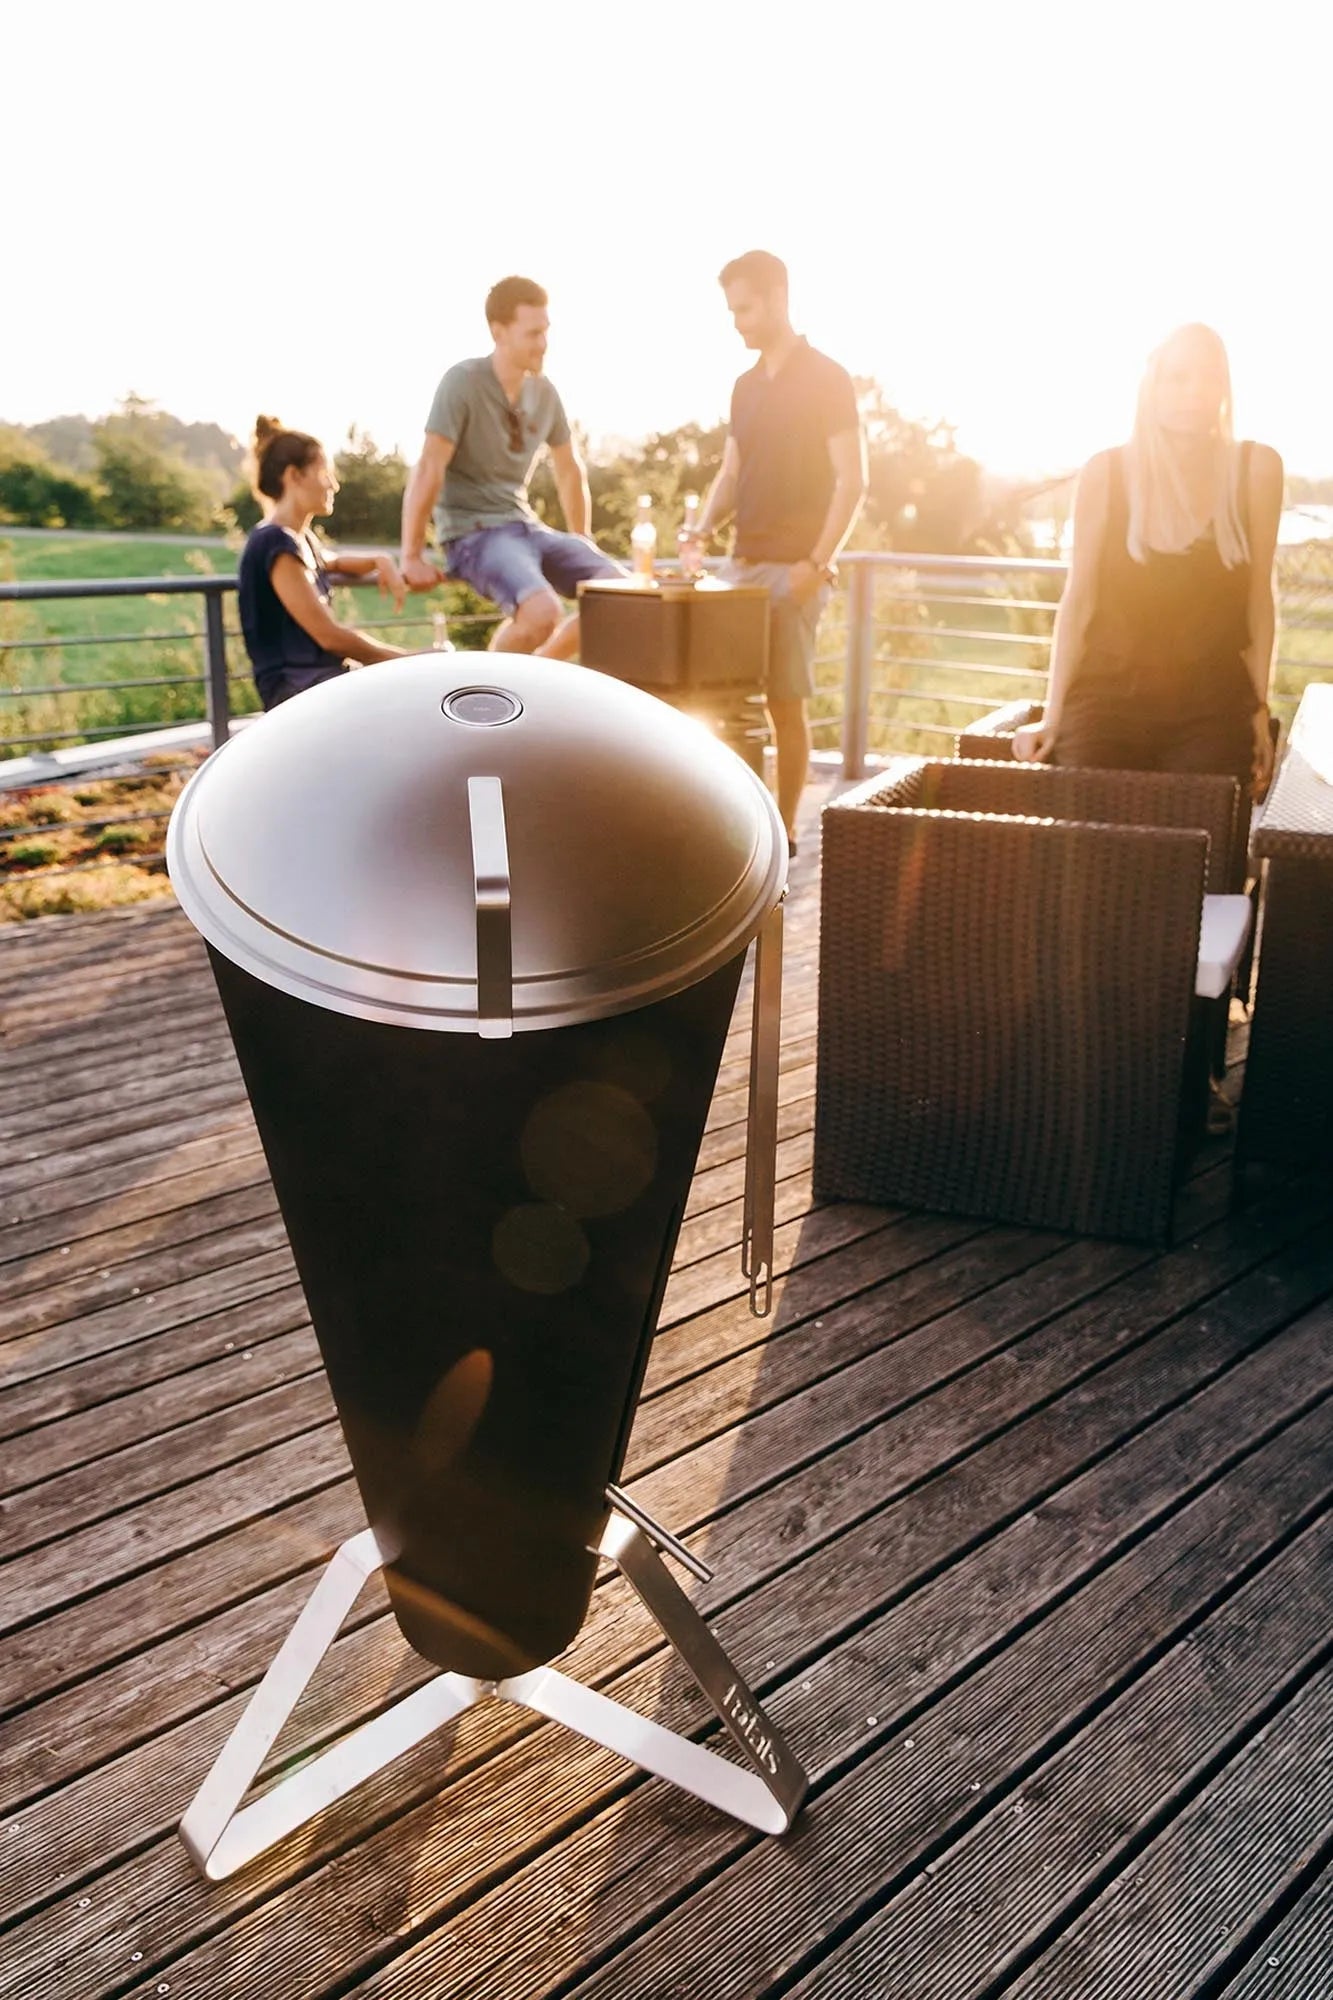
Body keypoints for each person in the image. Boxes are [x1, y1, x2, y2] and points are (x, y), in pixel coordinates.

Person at [1012, 323, 1282, 804]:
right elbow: (1079, 600)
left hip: (1211, 704)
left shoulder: (1256, 469)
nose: (1194, 392)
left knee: (1198, 835)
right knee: (1087, 832)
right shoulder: (1106, 472)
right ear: (1150, 387)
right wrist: (1054, 714)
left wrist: (1258, 707)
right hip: (1108, 696)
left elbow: (1259, 598)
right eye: (1177, 378)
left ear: (1225, 388)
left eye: (1209, 377)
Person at [682, 251, 867, 850]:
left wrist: (816, 565)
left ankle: (783, 833)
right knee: (723, 701)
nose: (737, 321)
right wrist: (702, 529)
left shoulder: (828, 377)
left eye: (746, 307)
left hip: (796, 571)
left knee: (786, 706)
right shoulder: (743, 387)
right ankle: (732, 825)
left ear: (779, 297)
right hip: (740, 567)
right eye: (732, 309)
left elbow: (854, 479)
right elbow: (732, 474)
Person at [399, 276, 623, 656]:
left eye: (546, 331)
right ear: (498, 332)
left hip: (525, 526)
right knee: (541, 613)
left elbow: (569, 469)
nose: (543, 343)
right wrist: (411, 554)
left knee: (624, 594)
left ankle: (529, 679)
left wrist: (580, 537)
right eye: (532, 333)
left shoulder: (545, 392)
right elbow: (429, 467)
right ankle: (493, 694)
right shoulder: (463, 382)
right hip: (474, 533)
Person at [238, 418, 408, 710]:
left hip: (318, 682)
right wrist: (408, 659)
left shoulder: (299, 541)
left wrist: (379, 560)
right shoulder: (275, 543)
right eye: (325, 472)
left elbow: (332, 562)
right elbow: (330, 638)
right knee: (408, 697)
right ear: (294, 476)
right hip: (296, 692)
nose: (334, 484)